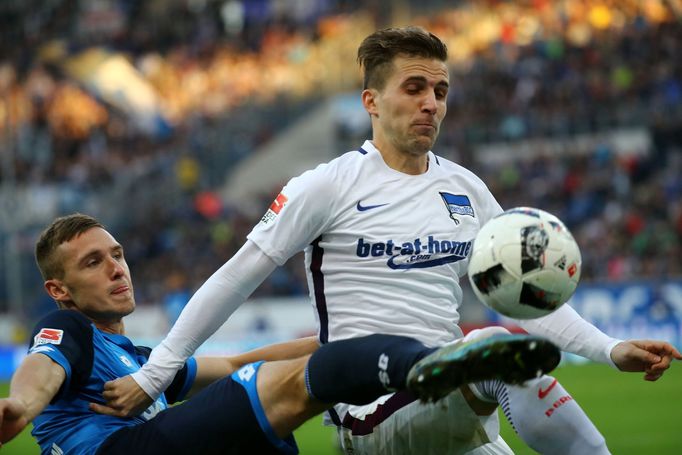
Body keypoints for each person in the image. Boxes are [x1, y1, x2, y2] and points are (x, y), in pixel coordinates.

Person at [101, 27, 681, 454]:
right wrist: (156, 374)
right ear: (371, 102)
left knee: (501, 356)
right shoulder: (325, 186)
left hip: (453, 406)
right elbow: (234, 278)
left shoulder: (466, 190)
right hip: (371, 412)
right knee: (498, 357)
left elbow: (528, 300)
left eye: (441, 89)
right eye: (414, 87)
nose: (431, 102)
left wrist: (609, 349)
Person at [0, 213, 560, 454]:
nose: (117, 267)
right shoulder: (68, 326)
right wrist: (19, 407)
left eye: (118, 255)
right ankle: (420, 370)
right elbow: (41, 369)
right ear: (60, 290)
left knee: (269, 428)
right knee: (280, 387)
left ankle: (424, 360)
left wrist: (343, 337)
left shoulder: (141, 361)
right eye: (94, 263)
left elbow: (239, 358)